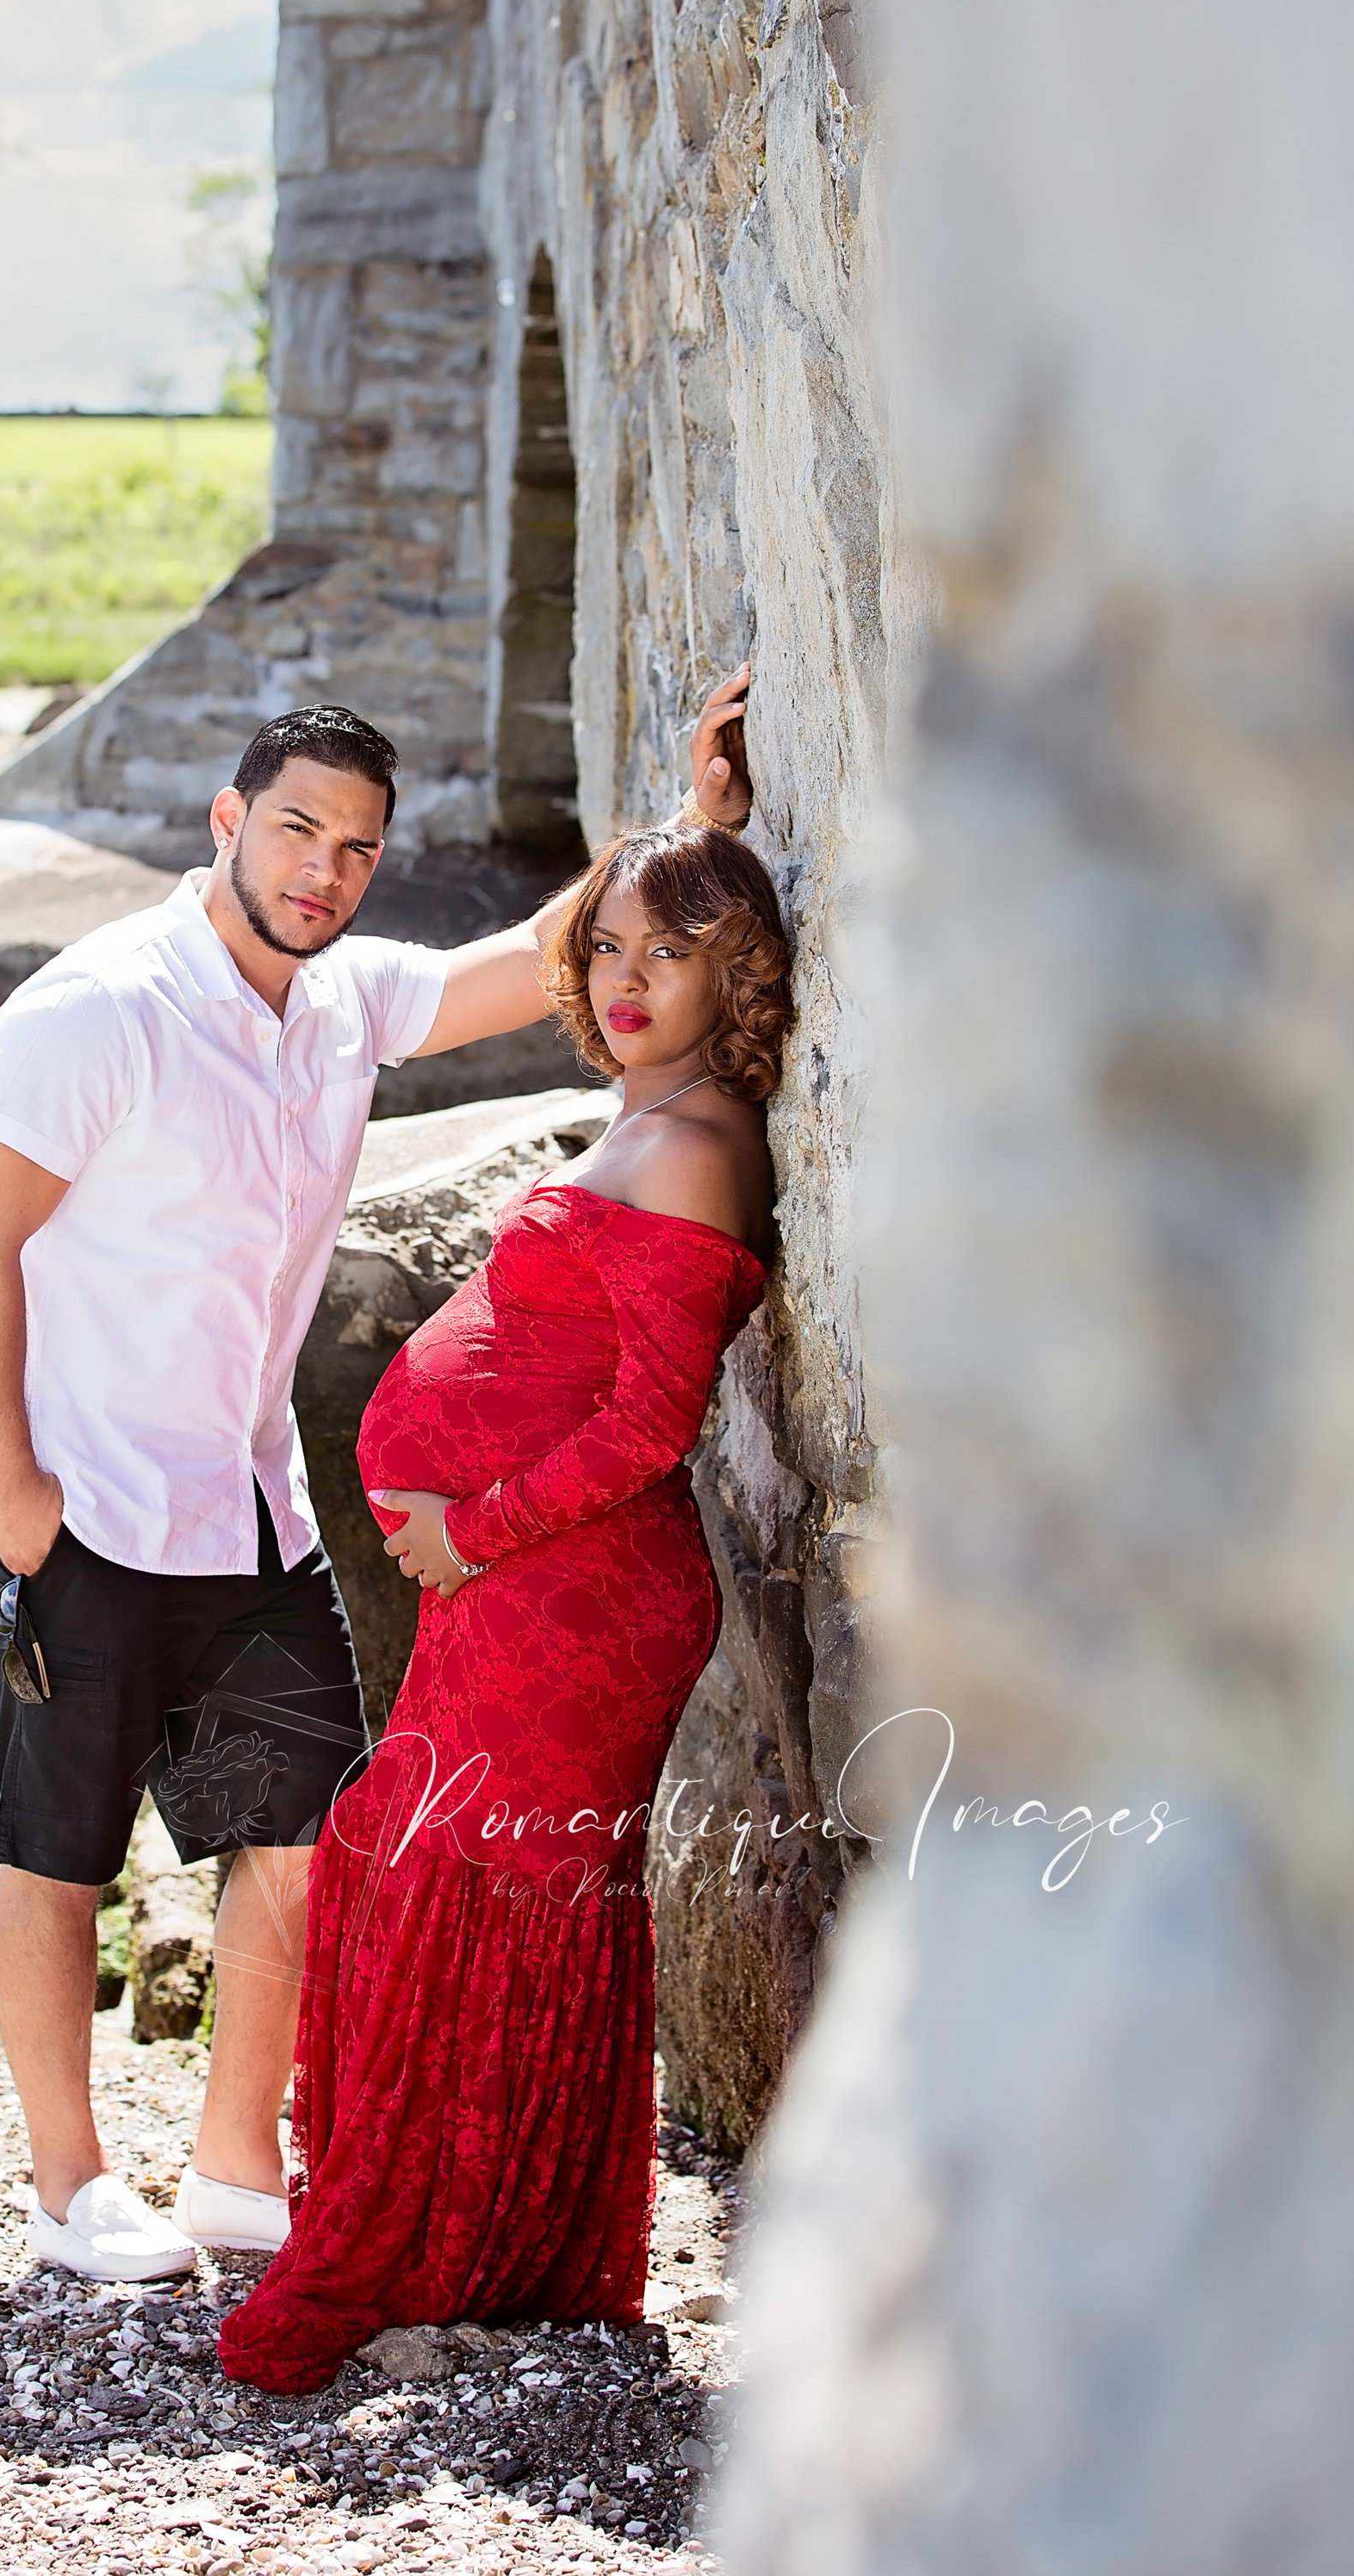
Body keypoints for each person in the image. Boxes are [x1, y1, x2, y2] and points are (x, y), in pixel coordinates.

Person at [0, 679, 753, 2285]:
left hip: (251, 1508)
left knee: (302, 1832)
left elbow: (537, 958)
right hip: (83, 1502)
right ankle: (69, 2186)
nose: (325, 868)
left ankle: (237, 2167)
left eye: (359, 847)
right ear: (228, 822)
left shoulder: (346, 1000)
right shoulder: (95, 1007)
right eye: (297, 829)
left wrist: (691, 824)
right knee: (62, 1848)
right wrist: (16, 1494)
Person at [216, 813, 792, 2391]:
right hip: (521, 1590)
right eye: (608, 946)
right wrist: (695, 819)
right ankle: (477, 2238)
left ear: (735, 970)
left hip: (576, 1595)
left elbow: (652, 1425)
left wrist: (471, 1529)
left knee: (478, 1887)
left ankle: (457, 2245)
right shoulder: (654, 1110)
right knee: (410, 1860)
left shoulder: (698, 1142)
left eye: (670, 953)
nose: (625, 977)